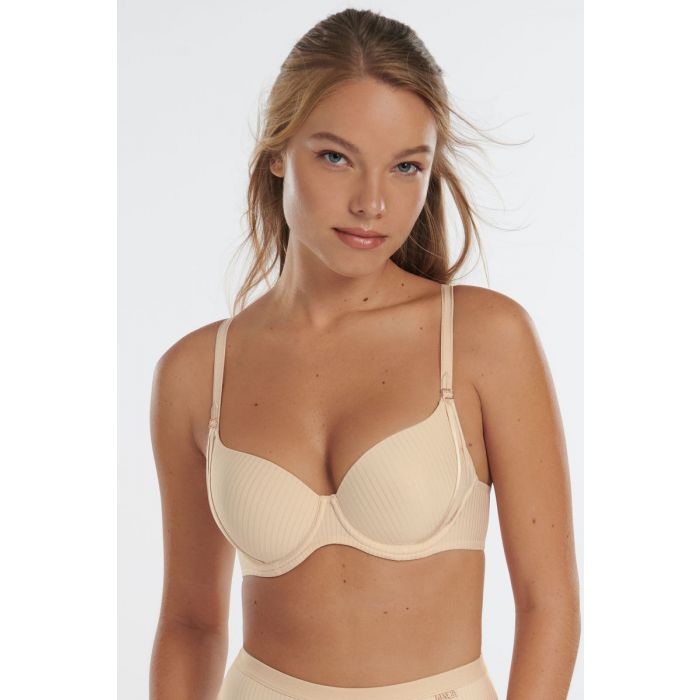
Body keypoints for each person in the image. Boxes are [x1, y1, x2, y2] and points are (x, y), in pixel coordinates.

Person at [149, 8, 580, 700]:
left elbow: (547, 604)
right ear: (278, 153)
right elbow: (190, 623)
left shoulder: (482, 339)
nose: (373, 203)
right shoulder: (195, 373)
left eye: (406, 166)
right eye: (336, 157)